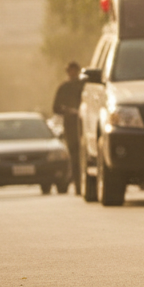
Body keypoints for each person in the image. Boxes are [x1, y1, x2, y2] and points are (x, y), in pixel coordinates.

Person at [51, 61, 84, 195]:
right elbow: (56, 108)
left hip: (84, 125)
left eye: (75, 70)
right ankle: (78, 187)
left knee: (85, 156)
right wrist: (68, 111)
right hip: (71, 127)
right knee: (75, 157)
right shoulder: (63, 88)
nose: (73, 73)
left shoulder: (84, 86)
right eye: (71, 71)